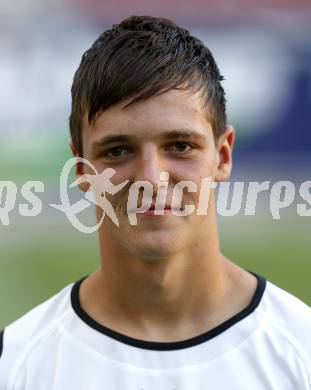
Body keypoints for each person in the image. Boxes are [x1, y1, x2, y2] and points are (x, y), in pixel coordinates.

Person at [0, 15, 310, 390]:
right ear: (81, 169)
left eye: (180, 146)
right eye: (117, 151)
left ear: (223, 156)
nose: (150, 177)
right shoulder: (16, 364)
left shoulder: (300, 352)